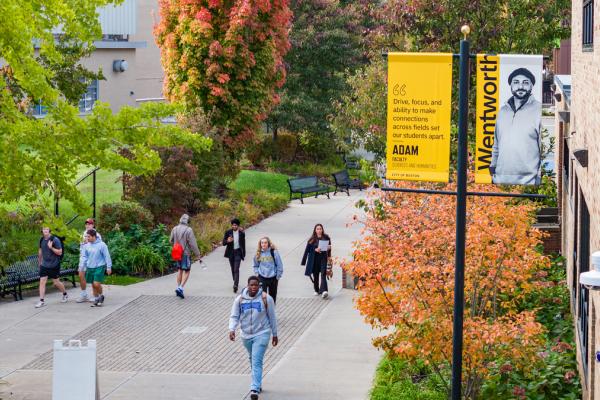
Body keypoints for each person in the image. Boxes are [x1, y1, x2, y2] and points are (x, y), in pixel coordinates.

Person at [229, 276, 278, 400]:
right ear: (247, 285)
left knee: (256, 360)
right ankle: (258, 382)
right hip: (246, 335)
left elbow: (272, 317)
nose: (254, 287)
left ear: (259, 286)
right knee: (252, 359)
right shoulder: (239, 300)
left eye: (256, 285)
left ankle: (254, 388)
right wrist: (232, 329)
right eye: (251, 285)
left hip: (262, 332)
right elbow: (234, 316)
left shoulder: (266, 299)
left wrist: (275, 334)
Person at [490, 67, 542, 185]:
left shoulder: (539, 110)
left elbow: (543, 149)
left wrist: (538, 179)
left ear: (531, 86)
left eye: (525, 83)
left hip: (528, 183)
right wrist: (492, 171)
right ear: (511, 86)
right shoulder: (502, 111)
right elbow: (496, 144)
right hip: (499, 180)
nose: (520, 86)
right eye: (516, 82)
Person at [170, 214, 202, 299]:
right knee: (187, 270)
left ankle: (178, 287)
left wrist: (176, 245)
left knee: (179, 270)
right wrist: (198, 254)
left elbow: (170, 240)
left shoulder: (175, 228)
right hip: (185, 253)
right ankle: (180, 288)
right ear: (187, 221)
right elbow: (193, 244)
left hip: (177, 253)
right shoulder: (189, 230)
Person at [36, 227, 68, 308]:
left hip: (54, 264)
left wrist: (51, 248)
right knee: (42, 281)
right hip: (44, 264)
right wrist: (39, 262)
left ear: (49, 230)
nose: (45, 230)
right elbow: (40, 251)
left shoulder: (55, 240)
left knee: (56, 283)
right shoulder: (41, 239)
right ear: (42, 231)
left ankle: (65, 294)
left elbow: (60, 252)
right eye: (44, 229)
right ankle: (41, 301)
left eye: (47, 229)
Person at [80, 229, 112, 307]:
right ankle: (97, 298)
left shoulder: (102, 245)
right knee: (93, 285)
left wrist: (108, 267)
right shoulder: (86, 245)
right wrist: (82, 266)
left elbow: (107, 256)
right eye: (86, 236)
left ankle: (101, 295)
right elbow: (84, 256)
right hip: (90, 267)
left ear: (94, 236)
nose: (87, 238)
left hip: (99, 266)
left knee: (96, 284)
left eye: (89, 237)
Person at [301, 223, 332, 299]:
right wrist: (315, 250)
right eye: (317, 229)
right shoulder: (311, 240)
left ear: (322, 230)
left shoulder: (326, 237)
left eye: (320, 229)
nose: (319, 230)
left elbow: (330, 247)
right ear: (315, 230)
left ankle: (324, 291)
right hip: (314, 259)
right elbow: (307, 251)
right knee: (316, 275)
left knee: (323, 274)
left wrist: (329, 248)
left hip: (323, 258)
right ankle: (316, 289)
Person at [77, 218, 102, 303]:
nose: (88, 225)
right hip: (83, 258)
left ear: (93, 225)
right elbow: (81, 247)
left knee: (92, 278)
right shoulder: (83, 234)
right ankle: (84, 294)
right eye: (86, 224)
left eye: (90, 224)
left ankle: (96, 296)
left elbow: (99, 247)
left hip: (92, 258)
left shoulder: (97, 235)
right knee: (81, 275)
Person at [253, 237, 283, 304]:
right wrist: (257, 273)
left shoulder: (274, 252)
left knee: (272, 298)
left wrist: (277, 276)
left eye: (265, 242)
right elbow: (255, 265)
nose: (263, 244)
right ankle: (264, 312)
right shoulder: (258, 253)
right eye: (262, 243)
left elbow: (279, 265)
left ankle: (271, 311)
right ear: (260, 244)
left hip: (273, 278)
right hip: (262, 277)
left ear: (268, 243)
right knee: (262, 297)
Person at [223, 218, 246, 293]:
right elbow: (223, 243)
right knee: (233, 268)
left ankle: (235, 285)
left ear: (238, 226)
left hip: (238, 252)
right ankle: (235, 280)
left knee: (236, 269)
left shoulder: (241, 233)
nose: (234, 226)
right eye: (233, 225)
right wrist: (227, 241)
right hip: (231, 253)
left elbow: (243, 244)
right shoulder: (228, 232)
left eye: (235, 225)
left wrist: (244, 253)